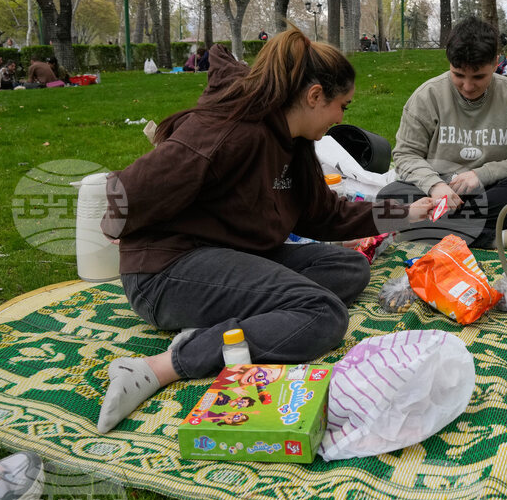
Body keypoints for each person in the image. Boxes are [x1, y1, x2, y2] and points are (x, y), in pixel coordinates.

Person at [95, 28, 434, 433]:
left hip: (226, 254)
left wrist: (404, 213)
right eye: (341, 106)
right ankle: (160, 366)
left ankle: (223, 322)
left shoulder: (294, 141)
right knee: (323, 313)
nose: (341, 118)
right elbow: (132, 188)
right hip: (164, 273)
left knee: (348, 269)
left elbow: (322, 214)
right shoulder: (230, 130)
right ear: (314, 96)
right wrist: (116, 222)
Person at [377, 16, 507, 249]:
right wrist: (435, 186)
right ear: (449, 64)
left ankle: (425, 230)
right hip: (435, 192)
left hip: (491, 190)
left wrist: (482, 174)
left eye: (479, 77)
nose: (468, 87)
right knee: (387, 200)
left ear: (496, 63)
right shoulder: (427, 96)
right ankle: (490, 238)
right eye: (458, 75)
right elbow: (405, 155)